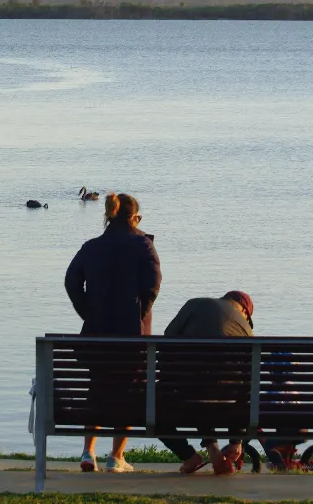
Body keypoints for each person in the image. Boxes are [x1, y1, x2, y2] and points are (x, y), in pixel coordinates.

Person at [65, 192, 162, 473]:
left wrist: (89, 312)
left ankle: (87, 453)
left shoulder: (91, 247)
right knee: (129, 393)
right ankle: (116, 457)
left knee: (96, 389)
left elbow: (72, 282)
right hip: (133, 336)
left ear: (109, 215)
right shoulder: (143, 245)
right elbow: (153, 287)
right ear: (133, 218)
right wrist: (138, 316)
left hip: (97, 333)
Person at [159, 290, 254, 474]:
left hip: (187, 396)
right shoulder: (246, 329)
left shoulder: (195, 304)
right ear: (244, 311)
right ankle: (221, 449)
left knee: (151, 405)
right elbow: (247, 386)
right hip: (226, 401)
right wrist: (236, 440)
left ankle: (189, 455)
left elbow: (167, 339)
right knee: (224, 388)